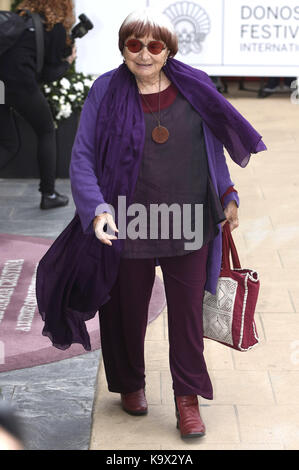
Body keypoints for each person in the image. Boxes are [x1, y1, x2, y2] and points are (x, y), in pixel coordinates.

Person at [36, 8, 267, 439]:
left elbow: (211, 147)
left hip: (188, 220)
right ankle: (129, 383)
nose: (144, 53)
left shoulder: (194, 85)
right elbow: (83, 156)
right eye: (134, 44)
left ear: (168, 50)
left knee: (186, 318)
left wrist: (227, 193)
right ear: (123, 47)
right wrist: (98, 210)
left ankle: (187, 399)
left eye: (154, 45)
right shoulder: (105, 89)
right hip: (128, 222)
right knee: (125, 311)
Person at [0, 0, 77, 209]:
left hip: (0, 86)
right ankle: (49, 194)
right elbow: (47, 74)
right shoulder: (55, 27)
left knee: (8, 143)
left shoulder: (22, 19)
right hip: (20, 86)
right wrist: (67, 62)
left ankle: (49, 193)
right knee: (46, 130)